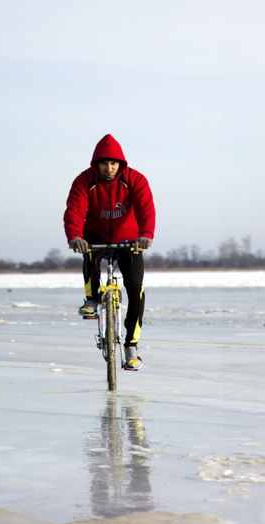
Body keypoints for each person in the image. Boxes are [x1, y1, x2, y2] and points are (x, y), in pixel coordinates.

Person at [63, 134, 156, 371]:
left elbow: (146, 208)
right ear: (97, 163)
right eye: (105, 163)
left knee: (136, 288)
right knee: (90, 253)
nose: (109, 167)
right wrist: (75, 236)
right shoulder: (84, 180)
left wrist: (146, 234)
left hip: (130, 239)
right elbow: (74, 209)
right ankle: (92, 298)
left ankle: (131, 346)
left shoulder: (135, 179)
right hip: (96, 234)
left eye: (114, 163)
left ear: (121, 163)